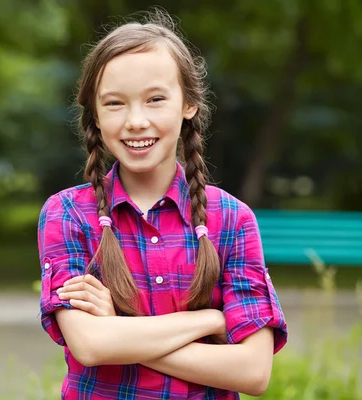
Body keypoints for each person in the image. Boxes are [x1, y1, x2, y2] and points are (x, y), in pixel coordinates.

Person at [37, 7, 288, 400]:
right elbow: (91, 347)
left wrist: (120, 331)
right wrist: (210, 320)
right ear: (96, 116)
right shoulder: (67, 214)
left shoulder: (233, 219)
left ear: (188, 104)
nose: (136, 121)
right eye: (115, 103)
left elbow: (253, 372)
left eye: (155, 99)